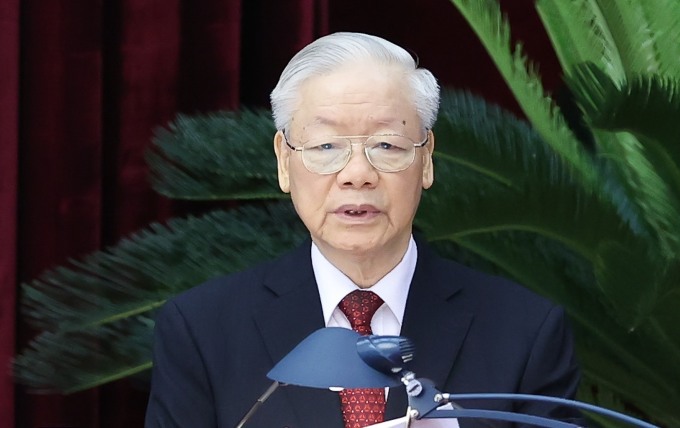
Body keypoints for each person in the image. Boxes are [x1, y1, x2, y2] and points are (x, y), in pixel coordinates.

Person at [144, 32, 581, 428]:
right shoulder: (203, 330)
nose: (357, 174)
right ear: (284, 161)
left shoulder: (525, 332)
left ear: (426, 158)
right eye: (326, 146)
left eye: (386, 145)